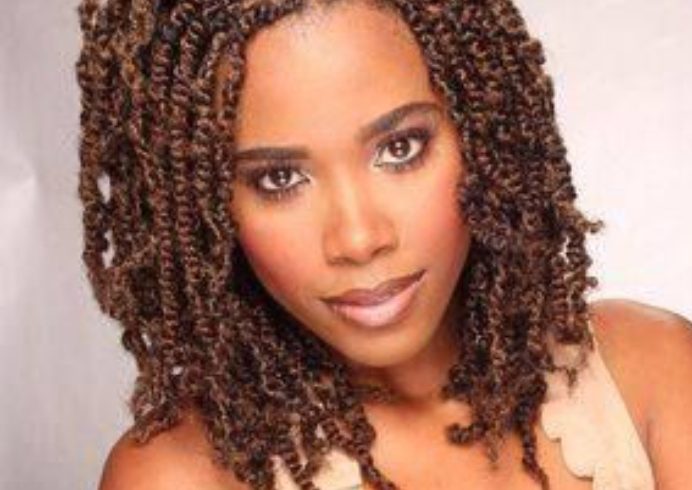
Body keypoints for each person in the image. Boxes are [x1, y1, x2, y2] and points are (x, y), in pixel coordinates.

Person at [74, 0, 692, 489]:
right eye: (279, 179)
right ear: (206, 207)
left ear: (484, 134)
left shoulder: (654, 375)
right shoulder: (176, 476)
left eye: (400, 148)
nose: (359, 238)